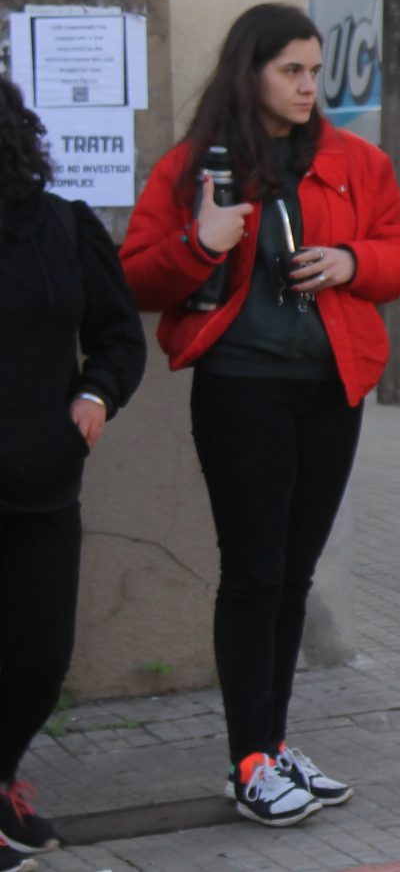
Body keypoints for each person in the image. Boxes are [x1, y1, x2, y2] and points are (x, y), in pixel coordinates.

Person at [121, 5, 400, 829]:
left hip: (331, 389)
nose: (308, 86)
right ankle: (249, 759)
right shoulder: (195, 168)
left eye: (316, 71)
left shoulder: (354, 161)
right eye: (292, 70)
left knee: (294, 573)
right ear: (251, 70)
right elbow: (137, 277)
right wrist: (203, 243)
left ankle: (271, 745)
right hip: (241, 388)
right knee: (254, 572)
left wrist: (352, 259)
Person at [0, 78, 146, 869]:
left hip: (41, 478)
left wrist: (96, 394)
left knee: (38, 656)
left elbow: (120, 335)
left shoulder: (62, 226)